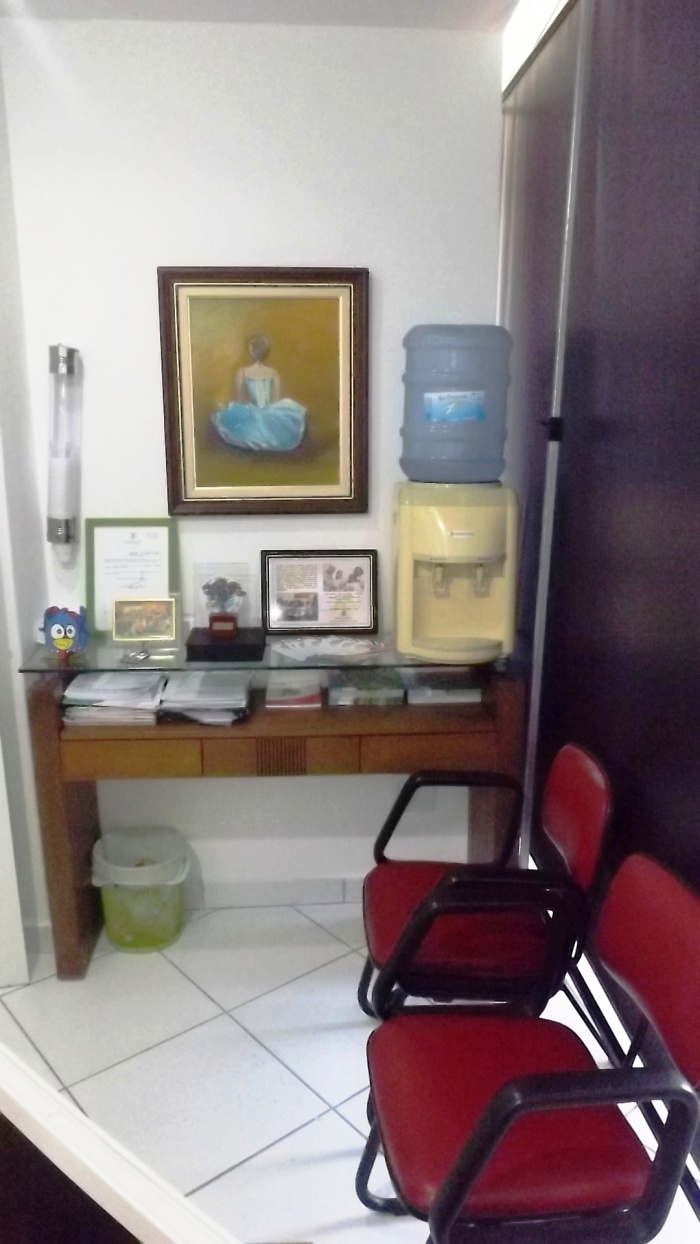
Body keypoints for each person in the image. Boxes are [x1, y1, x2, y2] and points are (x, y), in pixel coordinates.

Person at [211, 333, 306, 452]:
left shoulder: (242, 371)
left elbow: (240, 399)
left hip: (252, 411)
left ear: (252, 351)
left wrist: (247, 409)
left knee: (227, 411)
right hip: (269, 412)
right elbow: (275, 400)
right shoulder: (273, 372)